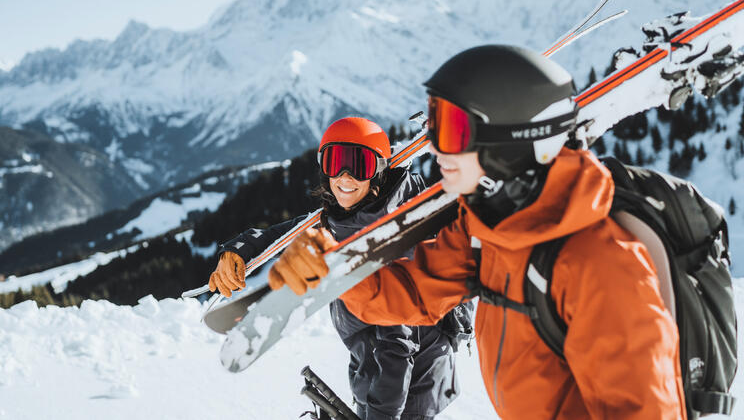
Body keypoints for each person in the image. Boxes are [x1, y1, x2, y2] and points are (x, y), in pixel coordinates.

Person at [268, 45, 687, 419]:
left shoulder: (600, 262)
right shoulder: (486, 227)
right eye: (434, 126)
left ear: (508, 143)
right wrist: (337, 271)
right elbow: (415, 292)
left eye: (449, 129)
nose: (433, 147)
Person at [209, 116, 471, 420]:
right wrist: (241, 250)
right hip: (373, 365)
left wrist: (380, 416)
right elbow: (292, 231)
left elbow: (398, 349)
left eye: (358, 165)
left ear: (379, 171)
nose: (345, 176)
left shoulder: (392, 236)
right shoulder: (353, 213)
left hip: (410, 385)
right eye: (335, 163)